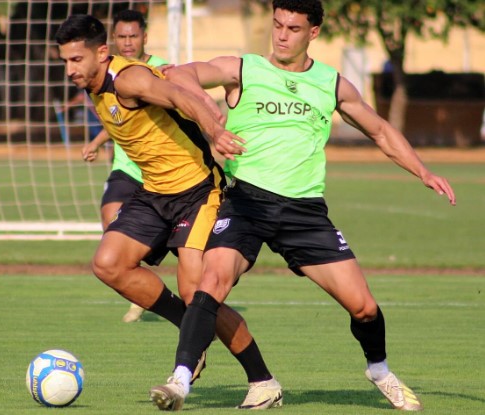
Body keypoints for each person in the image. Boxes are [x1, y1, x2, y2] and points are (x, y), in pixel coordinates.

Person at [150, 0, 456, 411]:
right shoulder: (243, 69)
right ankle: (180, 381)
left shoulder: (331, 84)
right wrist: (209, 121)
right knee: (211, 282)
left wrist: (423, 171)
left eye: (292, 28)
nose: (281, 35)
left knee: (364, 308)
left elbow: (380, 130)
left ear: (313, 33)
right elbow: (179, 74)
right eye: (277, 25)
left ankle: (379, 370)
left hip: (304, 212)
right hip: (246, 203)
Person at [55, 14, 281, 410]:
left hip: (197, 192)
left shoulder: (127, 80)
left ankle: (262, 380)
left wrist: (214, 132)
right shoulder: (93, 86)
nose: (70, 70)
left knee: (200, 293)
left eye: (77, 60)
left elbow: (181, 95)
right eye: (65, 62)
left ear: (101, 53)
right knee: (109, 263)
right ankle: (189, 324)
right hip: (153, 193)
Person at [81, 9, 169, 324]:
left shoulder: (159, 70)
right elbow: (116, 116)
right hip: (127, 167)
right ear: (113, 40)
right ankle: (137, 290)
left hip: (163, 170)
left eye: (133, 36)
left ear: (144, 36)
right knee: (110, 220)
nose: (128, 42)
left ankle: (148, 285)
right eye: (122, 36)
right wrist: (97, 142)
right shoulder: (108, 75)